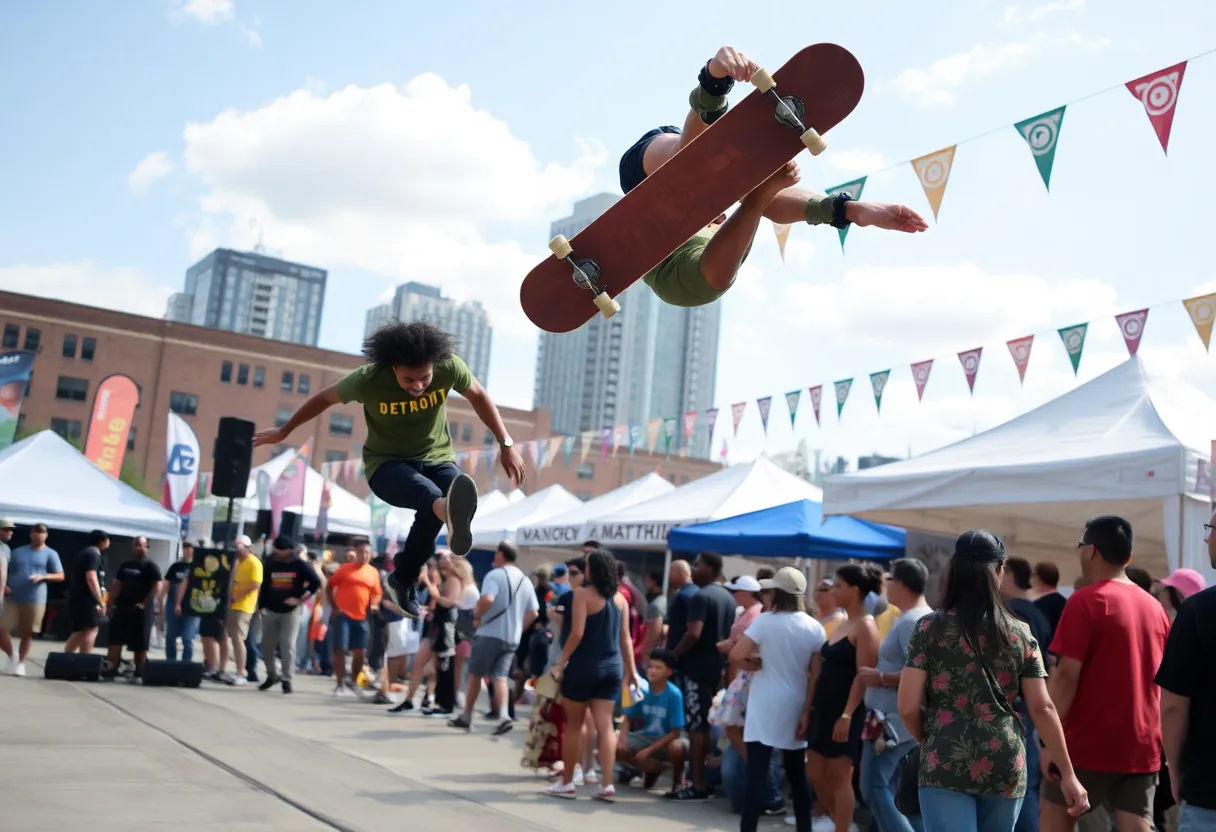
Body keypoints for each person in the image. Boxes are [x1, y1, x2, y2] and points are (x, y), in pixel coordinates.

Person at [619, 45, 927, 310]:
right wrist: (850, 209)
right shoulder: (712, 235)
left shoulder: (687, 277)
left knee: (711, 184)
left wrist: (763, 193)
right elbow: (739, 192)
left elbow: (753, 205)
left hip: (653, 179)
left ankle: (713, 99)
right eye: (720, 217)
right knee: (712, 178)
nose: (720, 215)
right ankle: (713, 101)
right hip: (663, 158)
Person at [253, 321, 525, 620]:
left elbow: (478, 395)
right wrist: (283, 431)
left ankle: (404, 575)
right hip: (387, 466)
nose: (419, 386)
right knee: (433, 497)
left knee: (456, 487)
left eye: (425, 378)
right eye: (409, 379)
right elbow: (322, 399)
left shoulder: (449, 366)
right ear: (393, 368)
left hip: (437, 458)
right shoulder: (368, 379)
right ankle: (446, 511)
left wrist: (506, 443)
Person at [898, 530, 1088, 831]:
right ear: (1000, 571)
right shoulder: (1020, 633)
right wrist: (1068, 774)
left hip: (945, 758)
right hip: (1004, 758)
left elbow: (907, 706)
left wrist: (932, 740)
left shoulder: (928, 628)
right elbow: (1043, 707)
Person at [1042, 516, 1171, 832]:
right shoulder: (1154, 608)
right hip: (1141, 743)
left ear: (1090, 551)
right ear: (1127, 557)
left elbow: (1066, 676)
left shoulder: (1085, 601)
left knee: (1056, 823)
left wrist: (1049, 745)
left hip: (1085, 744)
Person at [728, 566, 826, 832]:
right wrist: (807, 711)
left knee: (756, 775)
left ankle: (748, 828)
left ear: (777, 592)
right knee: (796, 775)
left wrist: (755, 664)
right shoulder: (815, 627)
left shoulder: (765, 621)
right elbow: (816, 675)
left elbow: (735, 656)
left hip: (765, 701)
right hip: (796, 700)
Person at [546, 548, 639, 801]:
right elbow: (626, 639)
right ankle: (607, 785)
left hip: (583, 666)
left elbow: (576, 633)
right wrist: (631, 672)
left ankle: (567, 783)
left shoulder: (582, 595)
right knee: (606, 726)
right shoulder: (621, 599)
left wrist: (560, 663)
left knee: (574, 725)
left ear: (592, 570)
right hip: (612, 668)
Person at [803, 563, 881, 830]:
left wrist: (847, 714)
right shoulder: (844, 622)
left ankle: (842, 827)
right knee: (813, 772)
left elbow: (863, 675)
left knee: (839, 776)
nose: (832, 590)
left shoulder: (866, 627)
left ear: (854, 589)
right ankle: (843, 825)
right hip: (823, 708)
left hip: (845, 710)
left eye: (838, 585)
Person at [858, 559, 933, 832]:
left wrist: (880, 678)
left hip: (893, 723)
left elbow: (924, 672)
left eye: (889, 580)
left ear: (900, 584)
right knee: (904, 796)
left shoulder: (912, 621)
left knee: (875, 787)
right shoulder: (915, 618)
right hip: (897, 720)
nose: (885, 585)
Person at [1155, 511, 1216, 832]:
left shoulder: (1199, 611)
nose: (1206, 537)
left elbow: (1173, 703)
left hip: (1208, 790)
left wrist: (1175, 772)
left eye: (1211, 528)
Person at [450, 542, 538, 734]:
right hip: (511, 638)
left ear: (500, 555)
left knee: (476, 674)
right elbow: (533, 612)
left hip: (489, 633)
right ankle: (504, 715)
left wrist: (477, 616)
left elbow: (488, 598)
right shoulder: (525, 580)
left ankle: (467, 716)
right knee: (500, 677)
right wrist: (518, 629)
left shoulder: (495, 575)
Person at [668, 552, 736, 801]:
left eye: (696, 565)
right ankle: (702, 780)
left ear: (708, 568)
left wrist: (673, 655)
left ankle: (697, 783)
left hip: (696, 669)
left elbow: (693, 633)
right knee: (705, 724)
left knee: (697, 726)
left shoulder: (701, 596)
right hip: (714, 669)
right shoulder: (727, 598)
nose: (693, 570)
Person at [997, 557, 1054, 832]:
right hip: (1034, 709)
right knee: (1025, 786)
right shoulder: (1037, 613)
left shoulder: (1011, 612)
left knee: (1019, 789)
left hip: (1016, 711)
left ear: (1007, 576)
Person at [617, 649, 688, 794]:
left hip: (667, 740)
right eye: (650, 667)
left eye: (658, 668)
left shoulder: (674, 695)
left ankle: (677, 780)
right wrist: (622, 741)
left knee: (677, 746)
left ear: (668, 672)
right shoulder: (641, 688)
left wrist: (649, 751)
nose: (652, 671)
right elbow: (627, 717)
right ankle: (653, 769)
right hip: (646, 736)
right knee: (613, 745)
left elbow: (675, 732)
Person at [257, 535, 321, 694]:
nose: (278, 553)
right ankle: (272, 675)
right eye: (276, 550)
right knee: (267, 646)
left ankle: (287, 678)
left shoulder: (299, 565)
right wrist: (261, 607)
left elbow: (315, 583)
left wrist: (300, 599)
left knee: (288, 645)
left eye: (281, 551)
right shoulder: (270, 563)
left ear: (289, 550)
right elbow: (264, 586)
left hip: (291, 612)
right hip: (271, 609)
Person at [0, 522, 64, 676]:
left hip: (35, 598)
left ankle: (21, 662)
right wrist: (5, 585)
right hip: (13, 596)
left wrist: (43, 576)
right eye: (36, 532)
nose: (39, 535)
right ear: (31, 534)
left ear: (46, 535)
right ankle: (13, 655)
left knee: (28, 632)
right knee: (2, 629)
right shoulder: (17, 552)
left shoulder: (51, 553)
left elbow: (60, 575)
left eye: (42, 532)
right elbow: (5, 569)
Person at [327, 540, 382, 698]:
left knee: (360, 652)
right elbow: (330, 585)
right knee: (341, 649)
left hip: (362, 616)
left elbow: (377, 592)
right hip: (343, 614)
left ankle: (352, 680)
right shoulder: (345, 569)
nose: (364, 556)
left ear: (371, 555)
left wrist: (375, 604)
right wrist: (334, 607)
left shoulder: (373, 572)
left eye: (367, 553)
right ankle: (339, 683)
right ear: (356, 554)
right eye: (361, 552)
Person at [103, 536, 163, 679]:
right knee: (115, 639)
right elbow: (117, 584)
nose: (137, 548)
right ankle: (111, 667)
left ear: (146, 547)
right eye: (135, 545)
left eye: (140, 545)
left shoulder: (150, 565)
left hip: (141, 611)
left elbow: (157, 585)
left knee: (140, 643)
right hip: (122, 608)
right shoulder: (126, 565)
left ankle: (140, 670)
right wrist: (110, 603)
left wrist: (145, 603)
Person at [220, 535, 262, 685]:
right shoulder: (238, 562)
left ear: (246, 547)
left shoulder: (254, 562)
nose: (236, 550)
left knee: (239, 639)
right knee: (233, 638)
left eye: (238, 547)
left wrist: (238, 596)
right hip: (234, 604)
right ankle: (234, 670)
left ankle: (240, 672)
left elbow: (255, 584)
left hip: (244, 606)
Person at [64, 529, 109, 654]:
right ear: (102, 541)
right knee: (91, 629)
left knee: (79, 631)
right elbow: (91, 577)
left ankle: (66, 660)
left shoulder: (85, 553)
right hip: (87, 599)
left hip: (78, 597)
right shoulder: (93, 554)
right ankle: (84, 660)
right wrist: (100, 601)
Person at [163, 542, 199, 662]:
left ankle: (186, 664)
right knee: (171, 635)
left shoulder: (198, 567)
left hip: (191, 606)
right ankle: (170, 662)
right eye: (185, 548)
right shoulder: (176, 566)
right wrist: (160, 601)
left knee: (187, 637)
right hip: (172, 603)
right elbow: (166, 584)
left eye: (190, 548)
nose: (187, 551)